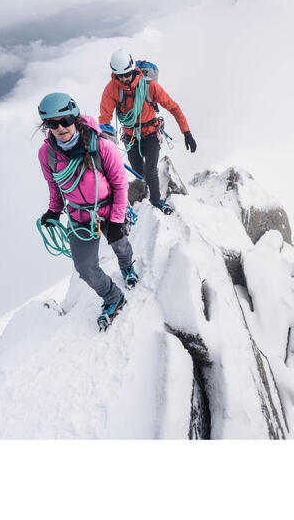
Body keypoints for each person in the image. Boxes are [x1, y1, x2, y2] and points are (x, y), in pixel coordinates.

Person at [37, 92, 136, 325]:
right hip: (79, 215)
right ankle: (113, 297)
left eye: (65, 120)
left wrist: (116, 220)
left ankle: (127, 266)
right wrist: (53, 211)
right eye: (52, 123)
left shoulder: (102, 146)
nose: (61, 127)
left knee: (120, 244)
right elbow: (56, 186)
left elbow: (121, 185)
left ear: (76, 118)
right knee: (84, 267)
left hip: (109, 208)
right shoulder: (47, 154)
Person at [99, 50, 197, 215]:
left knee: (150, 169)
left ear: (132, 69)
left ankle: (157, 201)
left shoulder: (149, 86)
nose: (123, 78)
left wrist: (186, 132)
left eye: (126, 74)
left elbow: (173, 107)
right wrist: (106, 140)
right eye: (119, 75)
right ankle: (150, 186)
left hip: (151, 133)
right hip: (130, 137)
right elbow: (104, 119)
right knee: (138, 170)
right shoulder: (112, 89)